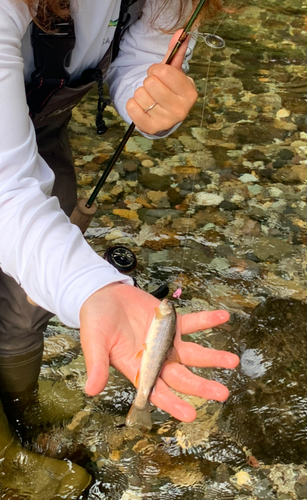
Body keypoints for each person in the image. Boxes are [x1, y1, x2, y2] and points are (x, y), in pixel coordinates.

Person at [0, 0, 239, 497]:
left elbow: (139, 57)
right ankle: (6, 460)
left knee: (28, 307)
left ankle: (19, 405)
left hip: (40, 127)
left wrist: (147, 101)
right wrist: (88, 284)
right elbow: (5, 188)